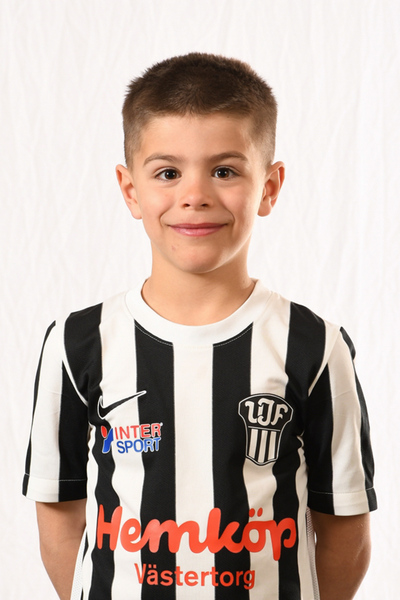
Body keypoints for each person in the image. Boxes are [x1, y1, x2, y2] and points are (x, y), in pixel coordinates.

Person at [23, 53, 377, 600]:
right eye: (168, 173)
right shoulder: (77, 343)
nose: (195, 195)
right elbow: (60, 509)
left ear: (269, 187)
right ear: (130, 190)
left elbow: (344, 528)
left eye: (225, 171)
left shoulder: (314, 346)